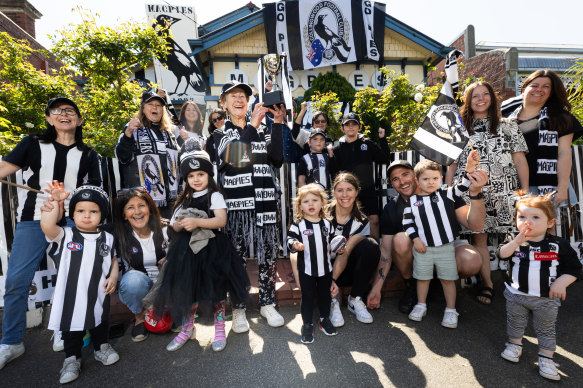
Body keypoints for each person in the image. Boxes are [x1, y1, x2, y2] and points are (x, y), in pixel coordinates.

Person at [0, 97, 101, 370]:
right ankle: (11, 342)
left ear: (79, 120)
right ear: (48, 118)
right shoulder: (33, 144)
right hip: (33, 220)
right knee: (16, 282)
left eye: (70, 110)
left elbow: (94, 193)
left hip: (71, 224)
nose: (64, 114)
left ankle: (64, 328)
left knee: (72, 279)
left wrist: (74, 199)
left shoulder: (89, 155)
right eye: (57, 110)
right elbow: (3, 170)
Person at [147, 142, 249, 352]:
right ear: (186, 179)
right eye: (191, 176)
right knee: (187, 290)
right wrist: (177, 224)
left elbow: (220, 221)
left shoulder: (215, 195)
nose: (196, 179)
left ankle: (219, 327)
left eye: (200, 174)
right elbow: (174, 225)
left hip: (213, 249)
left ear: (208, 175)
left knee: (216, 290)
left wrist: (197, 222)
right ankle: (187, 328)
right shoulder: (184, 199)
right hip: (186, 253)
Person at [446, 81, 529, 305]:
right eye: (475, 96)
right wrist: (447, 194)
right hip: (472, 191)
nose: (480, 99)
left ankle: (523, 282)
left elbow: (520, 159)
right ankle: (487, 283)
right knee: (479, 238)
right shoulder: (460, 129)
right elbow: (452, 165)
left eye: (485, 94)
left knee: (518, 235)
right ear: (468, 100)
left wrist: (525, 191)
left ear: (492, 97)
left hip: (505, 190)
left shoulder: (508, 125)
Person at [212, 81, 285, 330]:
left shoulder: (264, 130)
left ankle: (267, 303)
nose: (239, 99)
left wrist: (276, 123)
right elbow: (234, 160)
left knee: (268, 255)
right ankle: (239, 308)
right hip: (236, 207)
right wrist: (252, 126)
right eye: (233, 96)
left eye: (243, 95)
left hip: (265, 202)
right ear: (223, 103)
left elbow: (277, 158)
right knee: (238, 259)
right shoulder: (220, 134)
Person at [378, 159, 487, 314]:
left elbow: (476, 226)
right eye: (395, 179)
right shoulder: (392, 207)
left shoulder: (445, 194)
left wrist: (475, 193)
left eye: (405, 174)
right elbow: (386, 250)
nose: (402, 181)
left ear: (415, 176)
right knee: (400, 239)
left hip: (446, 245)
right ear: (392, 184)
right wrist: (376, 289)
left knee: (472, 260)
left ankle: (440, 284)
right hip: (420, 252)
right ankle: (412, 286)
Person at [497, 190, 581, 381]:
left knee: (545, 328)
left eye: (535, 217)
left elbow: (575, 268)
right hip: (516, 294)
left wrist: (562, 282)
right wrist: (517, 240)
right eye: (522, 216)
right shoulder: (514, 239)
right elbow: (502, 254)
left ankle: (546, 357)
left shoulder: (558, 245)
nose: (528, 221)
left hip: (546, 299)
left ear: (550, 222)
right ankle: (514, 344)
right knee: (515, 322)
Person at [41, 183, 119, 384]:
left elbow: (113, 260)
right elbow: (47, 226)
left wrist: (113, 277)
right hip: (71, 297)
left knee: (100, 321)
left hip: (98, 293)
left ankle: (101, 347)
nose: (87, 215)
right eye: (80, 210)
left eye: (93, 211)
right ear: (72, 213)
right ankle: (71, 359)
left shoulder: (108, 238)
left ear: (102, 215)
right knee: (71, 329)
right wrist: (55, 201)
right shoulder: (65, 235)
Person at [403, 155, 478, 329]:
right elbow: (407, 223)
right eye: (426, 179)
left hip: (445, 247)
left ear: (441, 178)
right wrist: (415, 240)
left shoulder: (446, 193)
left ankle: (451, 310)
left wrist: (469, 166)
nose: (431, 182)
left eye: (435, 178)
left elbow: (463, 185)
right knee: (422, 278)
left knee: (448, 279)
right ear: (417, 180)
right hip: (423, 249)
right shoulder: (412, 201)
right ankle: (421, 304)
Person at [502, 70, 583, 205]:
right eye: (534, 85)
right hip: (512, 187)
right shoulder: (504, 115)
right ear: (524, 88)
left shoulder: (561, 118)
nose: (539, 89)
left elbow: (564, 153)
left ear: (551, 92)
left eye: (546, 87)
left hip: (548, 188)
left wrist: (562, 188)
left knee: (549, 225)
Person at [114, 187, 167, 342]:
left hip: (164, 286)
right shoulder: (118, 234)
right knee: (133, 280)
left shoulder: (165, 228)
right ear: (124, 215)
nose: (137, 212)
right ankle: (140, 317)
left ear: (149, 209)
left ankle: (172, 312)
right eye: (130, 207)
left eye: (141, 206)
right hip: (140, 288)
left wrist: (171, 257)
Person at [328, 172, 382, 325]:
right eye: (340, 190)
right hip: (322, 269)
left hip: (344, 267)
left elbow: (345, 252)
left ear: (357, 192)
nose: (345, 194)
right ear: (334, 192)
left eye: (349, 189)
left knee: (371, 245)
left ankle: (355, 299)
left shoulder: (361, 221)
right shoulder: (322, 215)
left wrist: (333, 279)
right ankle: (333, 301)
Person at [288, 184, 339, 343]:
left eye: (315, 200)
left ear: (322, 203)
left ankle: (324, 319)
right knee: (308, 297)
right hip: (307, 269)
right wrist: (295, 245)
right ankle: (307, 324)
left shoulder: (327, 224)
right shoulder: (298, 224)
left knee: (325, 296)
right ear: (299, 205)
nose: (310, 204)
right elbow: (290, 240)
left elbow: (333, 241)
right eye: (306, 201)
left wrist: (339, 247)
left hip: (325, 269)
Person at [115, 91, 179, 218]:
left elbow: (178, 163)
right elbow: (122, 157)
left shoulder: (169, 132)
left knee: (168, 236)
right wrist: (128, 134)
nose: (155, 107)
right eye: (150, 104)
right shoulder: (133, 128)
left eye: (159, 105)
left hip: (170, 200)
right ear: (143, 108)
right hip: (141, 200)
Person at [331, 112, 390, 241]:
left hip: (367, 190)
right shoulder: (337, 148)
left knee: (374, 220)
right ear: (342, 128)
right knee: (348, 222)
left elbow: (384, 159)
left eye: (354, 124)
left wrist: (382, 139)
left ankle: (374, 249)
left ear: (360, 127)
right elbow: (334, 172)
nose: (351, 127)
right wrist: (330, 157)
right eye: (347, 124)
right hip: (347, 192)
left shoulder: (367, 144)